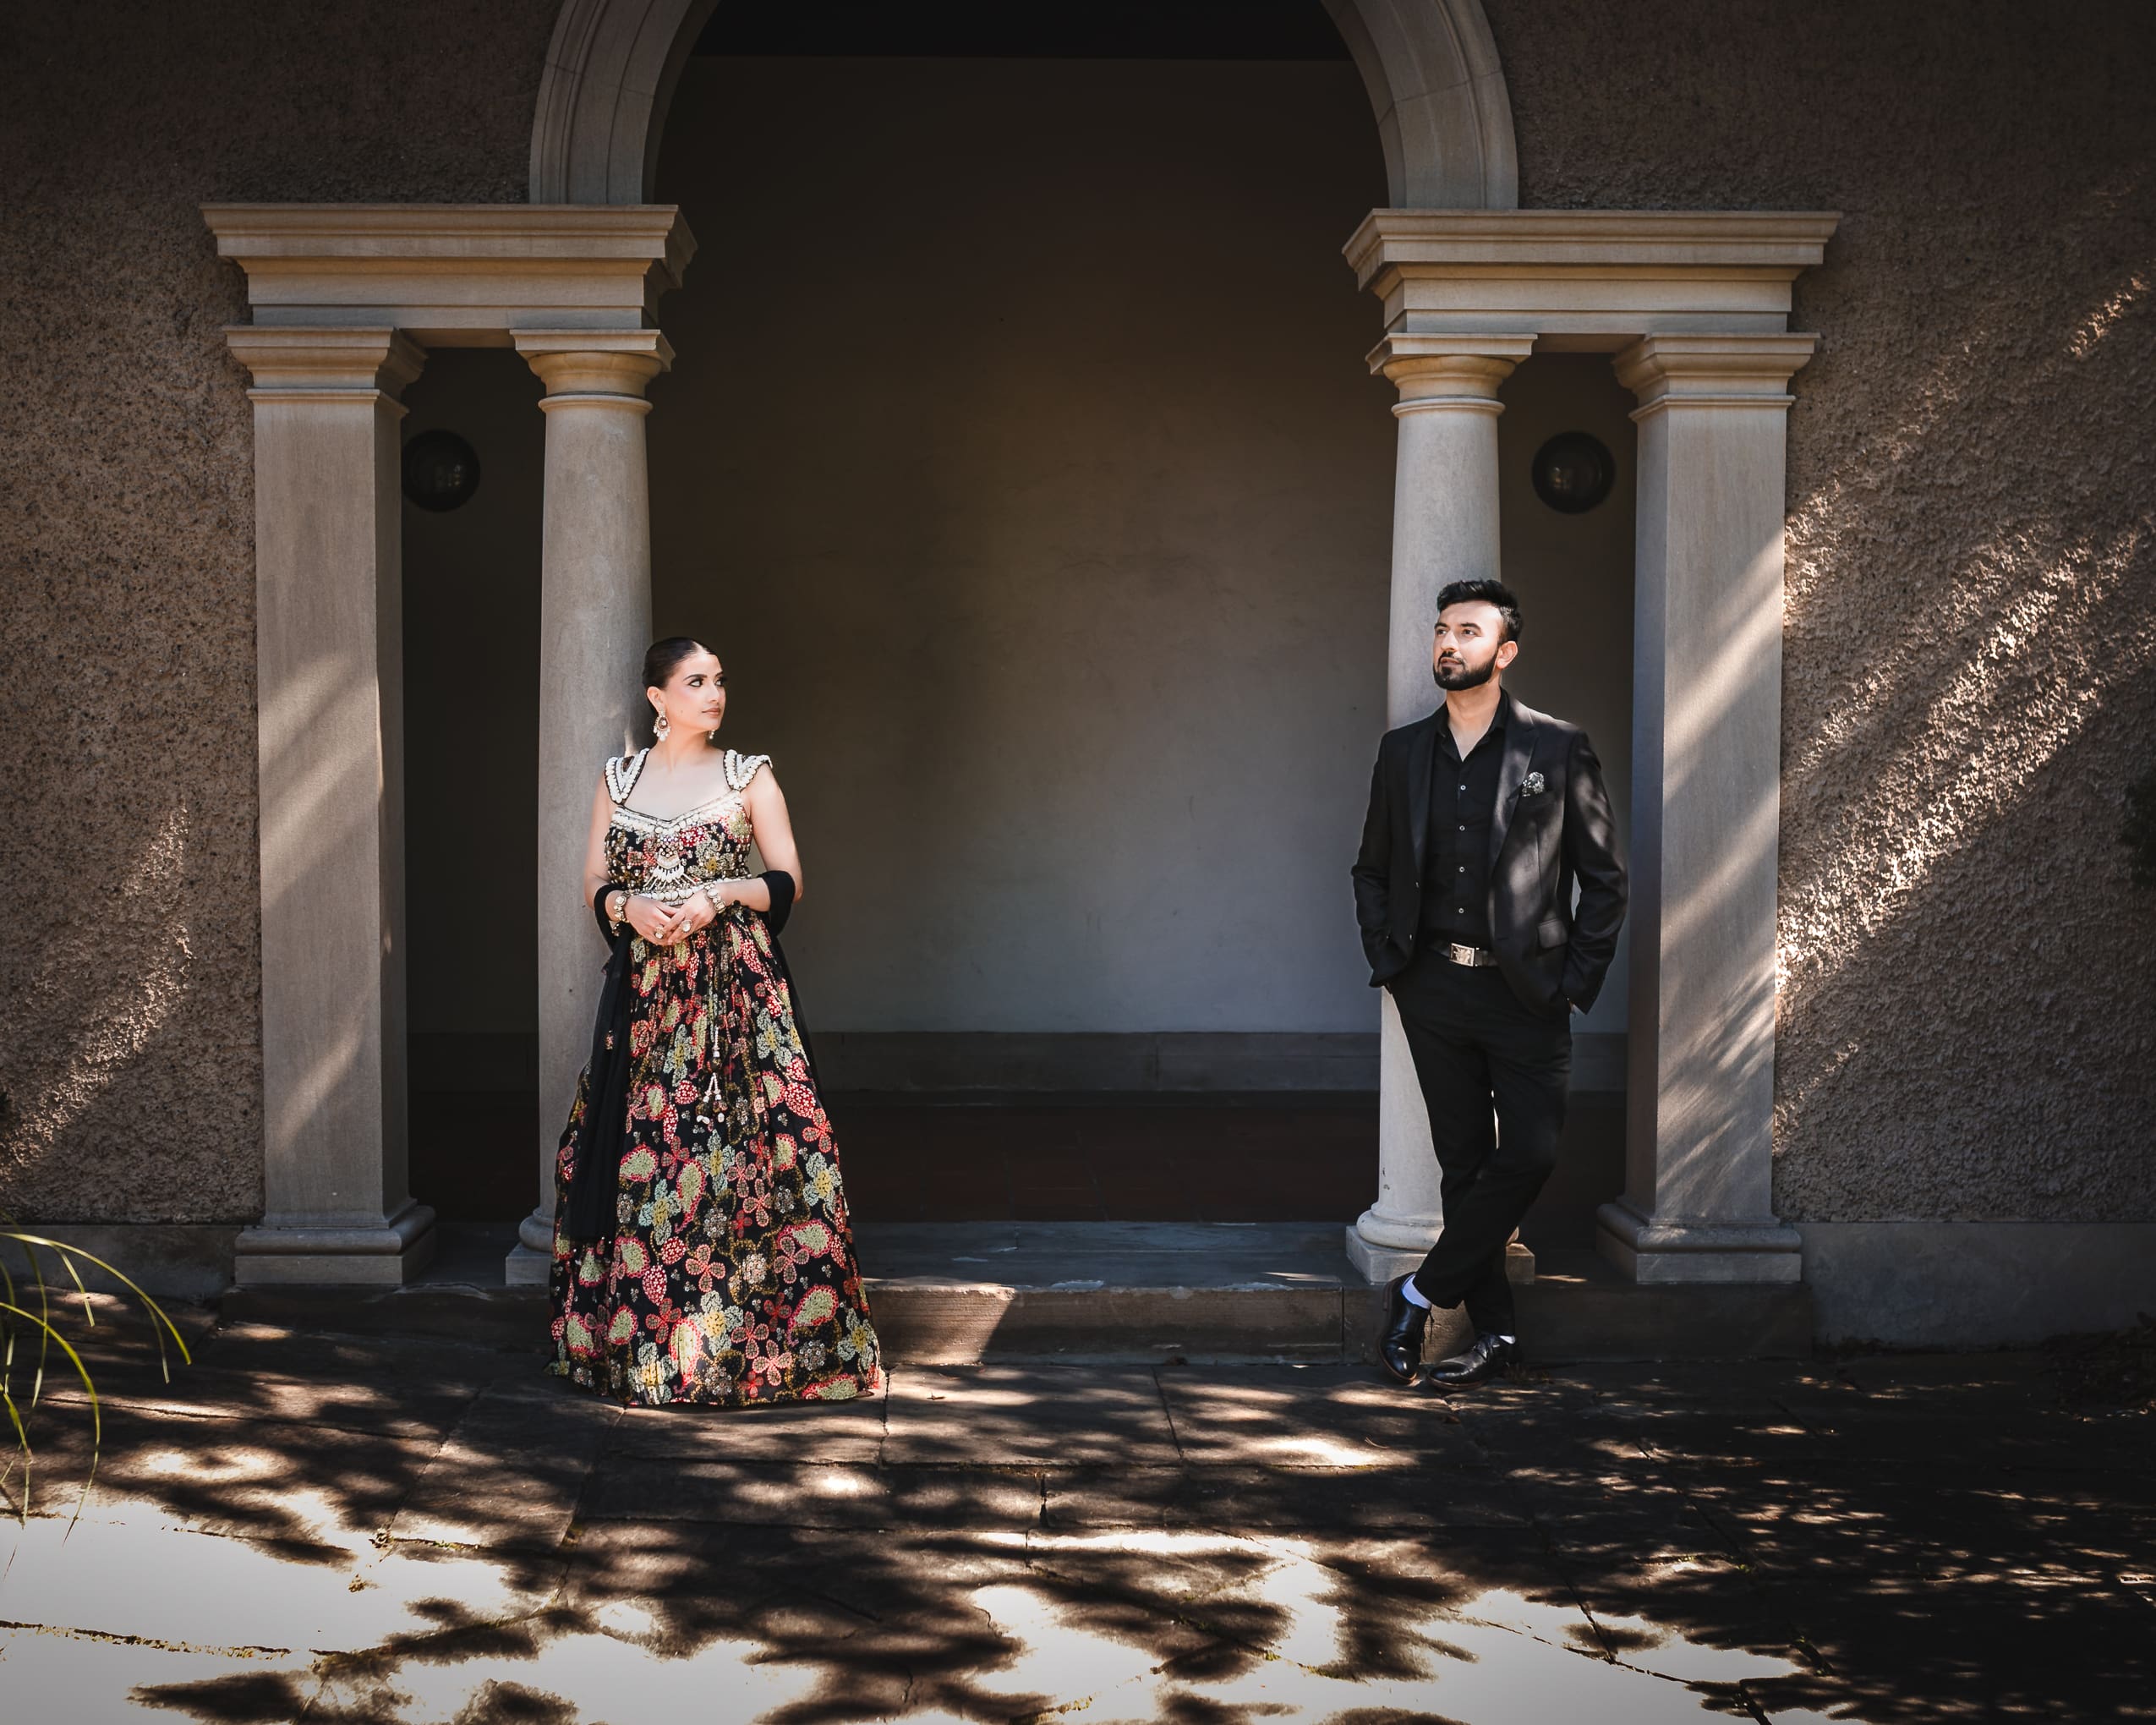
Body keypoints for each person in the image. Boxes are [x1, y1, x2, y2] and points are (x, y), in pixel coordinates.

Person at [547, 636, 882, 1407]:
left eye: (720, 681)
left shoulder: (749, 776)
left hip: (737, 1000)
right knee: (648, 1163)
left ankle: (765, 1357)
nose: (714, 694)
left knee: (751, 1160)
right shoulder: (616, 779)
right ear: (657, 699)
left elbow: (789, 877)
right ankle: (654, 1356)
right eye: (696, 682)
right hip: (647, 1002)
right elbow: (594, 876)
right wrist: (625, 905)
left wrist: (722, 894)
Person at [1351, 579, 1626, 1388]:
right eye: (1442, 630)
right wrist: (1390, 960)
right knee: (1464, 1164)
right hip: (1433, 992)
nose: (1448, 643)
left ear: (1503, 653)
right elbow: (1372, 868)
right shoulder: (1403, 752)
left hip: (1528, 995)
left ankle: (1420, 1295)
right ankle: (1498, 1335)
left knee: (1532, 1153)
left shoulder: (1557, 747)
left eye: (1468, 632)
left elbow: (1603, 879)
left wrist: (1574, 981)